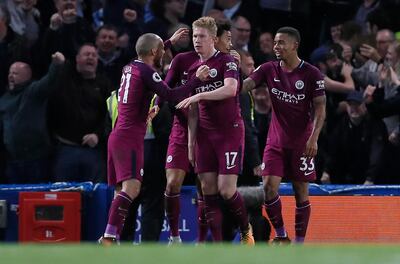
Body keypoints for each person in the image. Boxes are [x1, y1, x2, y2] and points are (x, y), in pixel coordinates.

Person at [99, 32, 209, 245]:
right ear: (153, 52)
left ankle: (110, 236)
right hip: (130, 138)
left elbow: (147, 50)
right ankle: (108, 236)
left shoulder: (130, 67)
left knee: (120, 191)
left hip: (117, 137)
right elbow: (173, 96)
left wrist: (167, 42)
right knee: (132, 189)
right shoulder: (148, 72)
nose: (164, 54)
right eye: (161, 50)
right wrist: (196, 80)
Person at [241, 27, 326, 243]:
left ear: (294, 45)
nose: (276, 47)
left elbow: (320, 109)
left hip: (302, 143)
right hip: (275, 141)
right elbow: (246, 85)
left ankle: (299, 243)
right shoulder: (269, 69)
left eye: (281, 43)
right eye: (275, 43)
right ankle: (281, 236)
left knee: (300, 193)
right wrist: (228, 81)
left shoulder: (311, 73)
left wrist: (314, 138)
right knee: (269, 188)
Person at [176, 16, 254, 245]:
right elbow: (193, 111)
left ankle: (246, 230)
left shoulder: (227, 62)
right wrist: (190, 144)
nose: (197, 41)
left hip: (229, 133)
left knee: (227, 190)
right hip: (204, 136)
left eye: (201, 36)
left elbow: (230, 90)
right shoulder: (193, 69)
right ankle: (217, 246)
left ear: (213, 39)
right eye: (194, 36)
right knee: (207, 190)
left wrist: (199, 94)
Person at [0, 52, 65, 184]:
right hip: (12, 160)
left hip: (36, 160)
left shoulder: (33, 91)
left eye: (15, 73)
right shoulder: (4, 99)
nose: (10, 76)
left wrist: (56, 64)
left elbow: (50, 80)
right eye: (10, 73)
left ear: (26, 76)